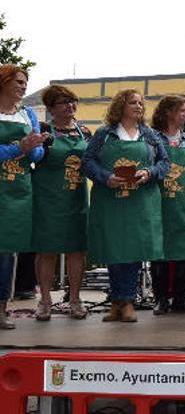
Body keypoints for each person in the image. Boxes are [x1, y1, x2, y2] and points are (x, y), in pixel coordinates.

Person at [83, 89, 169, 323]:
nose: (139, 106)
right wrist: (105, 177)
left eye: (141, 103)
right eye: (133, 102)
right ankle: (117, 303)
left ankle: (127, 302)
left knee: (133, 250)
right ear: (121, 106)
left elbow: (165, 163)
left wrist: (149, 172)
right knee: (114, 250)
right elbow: (87, 162)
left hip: (140, 202)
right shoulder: (104, 134)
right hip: (111, 201)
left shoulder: (150, 135)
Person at [32, 84, 92, 321]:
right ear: (50, 108)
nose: (70, 106)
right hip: (48, 198)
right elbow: (32, 159)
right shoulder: (44, 130)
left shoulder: (85, 132)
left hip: (77, 197)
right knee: (47, 250)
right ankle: (45, 301)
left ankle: (75, 300)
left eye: (73, 101)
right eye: (63, 102)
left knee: (78, 250)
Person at [0, 65, 48, 329]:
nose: (23, 86)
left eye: (25, 82)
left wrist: (33, 148)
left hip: (18, 191)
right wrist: (17, 147)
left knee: (7, 252)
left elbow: (37, 157)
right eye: (18, 81)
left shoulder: (28, 113)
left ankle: (1, 309)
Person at [150, 95, 185, 315]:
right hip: (160, 205)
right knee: (160, 252)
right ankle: (162, 299)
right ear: (168, 113)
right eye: (182, 110)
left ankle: (181, 299)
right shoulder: (153, 140)